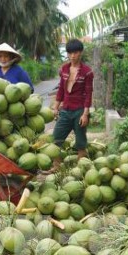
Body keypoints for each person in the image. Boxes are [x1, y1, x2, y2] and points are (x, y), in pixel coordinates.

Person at [45, 39, 94, 174]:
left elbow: (88, 94)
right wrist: (55, 107)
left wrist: (85, 114)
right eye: (70, 53)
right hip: (65, 110)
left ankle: (81, 171)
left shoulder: (87, 72)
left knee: (81, 142)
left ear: (81, 53)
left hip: (79, 111)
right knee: (56, 139)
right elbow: (61, 89)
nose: (73, 56)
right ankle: (56, 166)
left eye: (76, 52)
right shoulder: (64, 69)